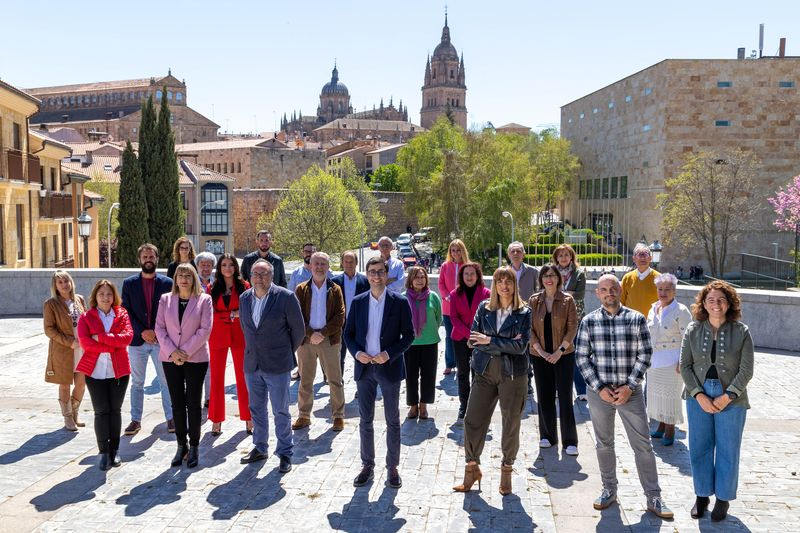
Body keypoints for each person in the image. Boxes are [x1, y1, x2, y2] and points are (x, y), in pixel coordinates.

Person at [574, 274, 673, 519]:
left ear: (620, 290)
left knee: (643, 445)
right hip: (600, 393)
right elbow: (582, 357)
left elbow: (645, 354)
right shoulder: (588, 322)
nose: (609, 293)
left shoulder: (636, 319)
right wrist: (599, 388)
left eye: (613, 288)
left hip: (631, 392)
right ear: (597, 293)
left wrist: (629, 385)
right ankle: (609, 489)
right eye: (604, 289)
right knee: (604, 444)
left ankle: (653, 496)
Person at [453, 267, 531, 496]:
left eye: (508, 281)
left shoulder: (524, 312)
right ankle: (471, 469)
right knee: (472, 419)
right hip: (484, 372)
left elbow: (521, 347)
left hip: (513, 375)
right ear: (494, 284)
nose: (504, 286)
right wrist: (500, 342)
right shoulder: (484, 308)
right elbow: (473, 339)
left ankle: (506, 470)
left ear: (514, 285)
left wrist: (489, 341)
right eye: (500, 281)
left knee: (510, 423)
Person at [681, 281, 754, 522]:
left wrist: (728, 395)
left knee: (727, 449)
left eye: (721, 299)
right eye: (711, 300)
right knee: (699, 447)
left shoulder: (741, 331)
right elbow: (686, 367)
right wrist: (699, 395)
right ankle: (702, 496)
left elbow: (746, 370)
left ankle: (723, 499)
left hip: (732, 398)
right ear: (703, 303)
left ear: (729, 303)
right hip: (698, 395)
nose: (716, 304)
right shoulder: (692, 330)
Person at [344, 256, 414, 489]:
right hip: (365, 368)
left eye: (380, 272)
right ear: (367, 274)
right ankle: (367, 465)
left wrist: (389, 354)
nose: (376, 276)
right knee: (366, 420)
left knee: (393, 420)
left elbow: (409, 336)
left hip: (389, 367)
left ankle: (392, 467)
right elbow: (348, 335)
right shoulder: (358, 302)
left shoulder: (399, 302)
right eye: (372, 272)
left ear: (386, 274)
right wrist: (356, 353)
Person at [238, 260, 304, 473]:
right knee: (256, 409)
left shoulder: (285, 297)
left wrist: (284, 351)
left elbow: (299, 331)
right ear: (250, 276)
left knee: (280, 410)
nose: (259, 277)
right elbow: (246, 329)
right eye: (256, 273)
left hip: (278, 364)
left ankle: (285, 452)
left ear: (272, 276)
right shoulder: (244, 298)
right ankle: (260, 447)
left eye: (264, 274)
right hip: (252, 364)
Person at [155, 264, 213, 469]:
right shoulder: (165, 299)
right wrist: (173, 352)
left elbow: (205, 330)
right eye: (180, 275)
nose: (184, 279)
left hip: (195, 357)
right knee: (177, 403)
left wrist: (184, 352)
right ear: (175, 279)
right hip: (170, 358)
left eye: (188, 275)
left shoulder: (204, 299)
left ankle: (195, 445)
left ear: (194, 278)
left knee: (193, 403)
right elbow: (159, 328)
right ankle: (182, 445)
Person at [76, 280, 133, 471]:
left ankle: (114, 450)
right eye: (102, 294)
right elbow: (86, 343)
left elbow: (127, 338)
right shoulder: (86, 317)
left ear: (114, 296)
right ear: (95, 296)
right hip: (95, 372)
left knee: (115, 411)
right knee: (101, 411)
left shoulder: (122, 313)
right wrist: (112, 344)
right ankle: (103, 451)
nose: (106, 298)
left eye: (109, 294)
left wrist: (100, 337)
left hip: (119, 371)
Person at [121, 243, 174, 436]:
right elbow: (124, 311)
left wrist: (157, 334)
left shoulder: (168, 283)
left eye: (151, 257)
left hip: (161, 342)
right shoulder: (129, 284)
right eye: (145, 257)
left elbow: (171, 312)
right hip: (137, 341)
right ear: (140, 260)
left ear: (157, 259)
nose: (148, 260)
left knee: (166, 381)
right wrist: (143, 331)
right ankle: (135, 420)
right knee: (137, 382)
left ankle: (171, 417)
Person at [529, 264, 579, 455]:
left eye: (552, 275)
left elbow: (572, 326)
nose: (549, 279)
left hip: (563, 355)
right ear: (541, 279)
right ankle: (547, 436)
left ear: (559, 278)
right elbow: (529, 328)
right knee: (544, 396)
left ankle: (570, 441)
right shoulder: (534, 301)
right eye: (545, 276)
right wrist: (540, 351)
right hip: (540, 356)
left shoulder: (568, 300)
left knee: (565, 397)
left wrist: (560, 350)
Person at [293, 252, 346, 431]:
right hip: (306, 341)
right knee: (305, 380)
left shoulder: (335, 289)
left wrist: (322, 333)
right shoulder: (301, 289)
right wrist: (310, 334)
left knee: (334, 379)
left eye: (323, 264)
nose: (319, 267)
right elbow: (296, 316)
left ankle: (338, 416)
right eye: (316, 263)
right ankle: (304, 415)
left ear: (328, 266)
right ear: (310, 266)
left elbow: (340, 316)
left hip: (329, 340)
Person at [207, 254, 252, 436]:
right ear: (219, 268)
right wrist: (230, 315)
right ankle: (216, 420)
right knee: (216, 379)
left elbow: (248, 311)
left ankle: (249, 418)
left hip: (240, 336)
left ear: (236, 268)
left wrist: (236, 314)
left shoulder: (245, 286)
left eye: (231, 265)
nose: (227, 268)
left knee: (243, 378)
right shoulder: (211, 288)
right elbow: (207, 314)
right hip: (217, 337)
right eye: (224, 265)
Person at [646, 273, 691, 446]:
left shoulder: (681, 310)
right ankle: (662, 425)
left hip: (673, 360)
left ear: (674, 291)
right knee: (657, 395)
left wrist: (683, 360)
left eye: (667, 289)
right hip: (655, 359)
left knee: (671, 396)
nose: (663, 293)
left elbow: (687, 337)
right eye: (660, 289)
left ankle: (670, 429)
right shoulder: (653, 308)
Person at [43, 270, 87, 432]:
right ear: (55, 285)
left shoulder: (79, 299)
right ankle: (67, 417)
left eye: (66, 281)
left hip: (82, 349)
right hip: (63, 351)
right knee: (64, 385)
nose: (64, 285)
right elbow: (49, 330)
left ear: (71, 282)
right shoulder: (51, 304)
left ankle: (75, 412)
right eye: (60, 282)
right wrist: (69, 342)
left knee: (81, 384)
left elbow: (87, 322)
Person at [449, 262, 491, 421]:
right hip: (460, 338)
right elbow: (453, 317)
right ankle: (464, 404)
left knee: (478, 373)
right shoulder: (454, 294)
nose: (469, 277)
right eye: (466, 274)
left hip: (480, 339)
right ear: (461, 276)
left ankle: (477, 405)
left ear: (478, 275)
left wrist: (475, 337)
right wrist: (469, 336)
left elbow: (488, 317)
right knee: (462, 372)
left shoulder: (486, 293)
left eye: (472, 273)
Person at [402, 266, 442, 420]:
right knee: (411, 376)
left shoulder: (433, 297)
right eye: (416, 277)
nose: (420, 280)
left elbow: (438, 318)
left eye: (422, 277)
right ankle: (413, 406)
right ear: (410, 280)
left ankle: (424, 405)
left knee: (428, 375)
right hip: (410, 344)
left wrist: (429, 331)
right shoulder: (403, 298)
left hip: (430, 342)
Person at [553, 244, 588, 401]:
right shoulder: (551, 273)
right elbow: (546, 292)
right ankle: (554, 389)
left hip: (576, 318)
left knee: (574, 353)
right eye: (560, 255)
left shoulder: (579, 273)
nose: (563, 258)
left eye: (566, 255)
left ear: (571, 256)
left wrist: (559, 293)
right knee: (555, 352)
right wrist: (568, 293)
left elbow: (579, 295)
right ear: (556, 258)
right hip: (555, 317)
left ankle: (581, 390)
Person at [331, 251, 369, 375]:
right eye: (346, 261)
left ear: (356, 263)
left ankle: (361, 386)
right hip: (340, 326)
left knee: (360, 356)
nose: (348, 264)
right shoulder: (333, 282)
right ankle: (339, 386)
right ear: (342, 263)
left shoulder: (365, 281)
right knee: (338, 357)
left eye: (351, 261)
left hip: (360, 326)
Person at [438, 239, 469, 375]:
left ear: (463, 251)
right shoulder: (445, 266)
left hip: (464, 308)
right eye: (453, 250)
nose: (455, 253)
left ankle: (465, 361)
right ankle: (450, 363)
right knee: (449, 336)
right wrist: (448, 296)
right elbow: (441, 284)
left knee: (465, 335)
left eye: (458, 250)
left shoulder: (468, 266)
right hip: (448, 307)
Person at [195, 251, 216, 407]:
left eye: (209, 265)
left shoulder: (217, 284)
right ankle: (195, 397)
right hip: (194, 330)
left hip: (214, 330)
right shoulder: (190, 282)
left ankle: (209, 397)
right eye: (203, 265)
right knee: (196, 366)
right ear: (197, 266)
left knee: (211, 365)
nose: (206, 268)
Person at [620, 243, 660, 317]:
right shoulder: (627, 278)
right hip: (631, 322)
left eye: (645, 254)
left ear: (650, 258)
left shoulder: (659, 278)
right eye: (640, 254)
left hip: (651, 324)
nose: (643, 258)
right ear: (634, 258)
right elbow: (621, 302)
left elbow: (665, 302)